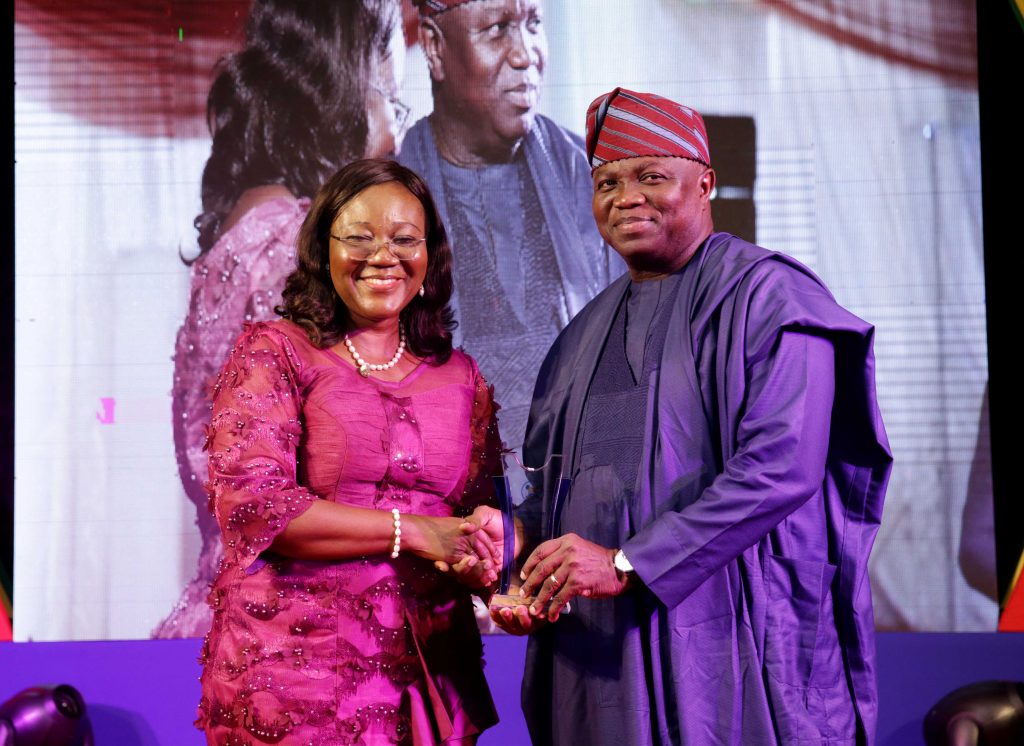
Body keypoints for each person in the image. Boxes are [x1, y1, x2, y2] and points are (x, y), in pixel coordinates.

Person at [491, 89, 894, 745]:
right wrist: (520, 569)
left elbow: (778, 470)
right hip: (599, 663)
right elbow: (550, 492)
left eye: (652, 176)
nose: (626, 197)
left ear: (705, 181)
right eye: (607, 182)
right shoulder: (580, 335)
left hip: (732, 640)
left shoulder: (771, 297)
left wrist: (626, 564)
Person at [197, 159, 507, 745]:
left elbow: (478, 521)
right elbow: (256, 508)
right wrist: (414, 531)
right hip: (299, 675)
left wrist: (499, 577)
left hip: (428, 675)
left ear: (430, 254)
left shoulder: (463, 378)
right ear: (323, 249)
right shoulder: (276, 353)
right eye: (359, 238)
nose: (382, 255)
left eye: (404, 239)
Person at [158, 0, 409, 638]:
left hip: (234, 610)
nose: (398, 137)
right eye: (392, 104)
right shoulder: (294, 248)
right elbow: (334, 480)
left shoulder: (244, 233)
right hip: (298, 628)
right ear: (341, 98)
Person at [399, 0, 622, 451]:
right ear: (434, 47)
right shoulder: (387, 199)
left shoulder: (594, 180)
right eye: (499, 28)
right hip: (444, 504)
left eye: (534, 24)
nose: (525, 55)